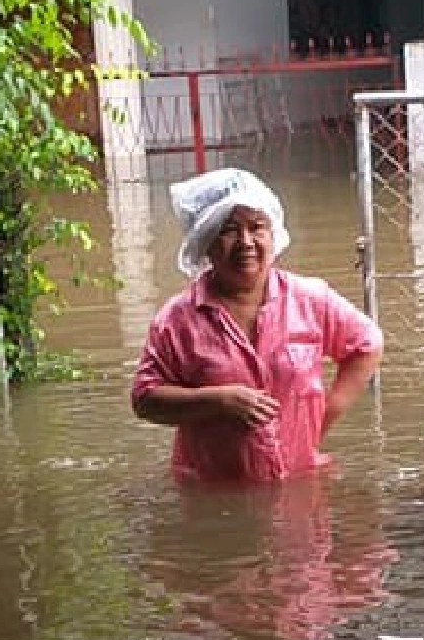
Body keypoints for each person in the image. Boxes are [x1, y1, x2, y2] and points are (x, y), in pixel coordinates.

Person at [131, 168, 383, 483]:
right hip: (212, 488)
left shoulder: (310, 299)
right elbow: (144, 398)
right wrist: (218, 400)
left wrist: (322, 417)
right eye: (230, 230)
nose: (246, 242)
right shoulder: (177, 319)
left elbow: (367, 344)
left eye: (257, 227)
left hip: (299, 476)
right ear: (206, 240)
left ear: (273, 235)